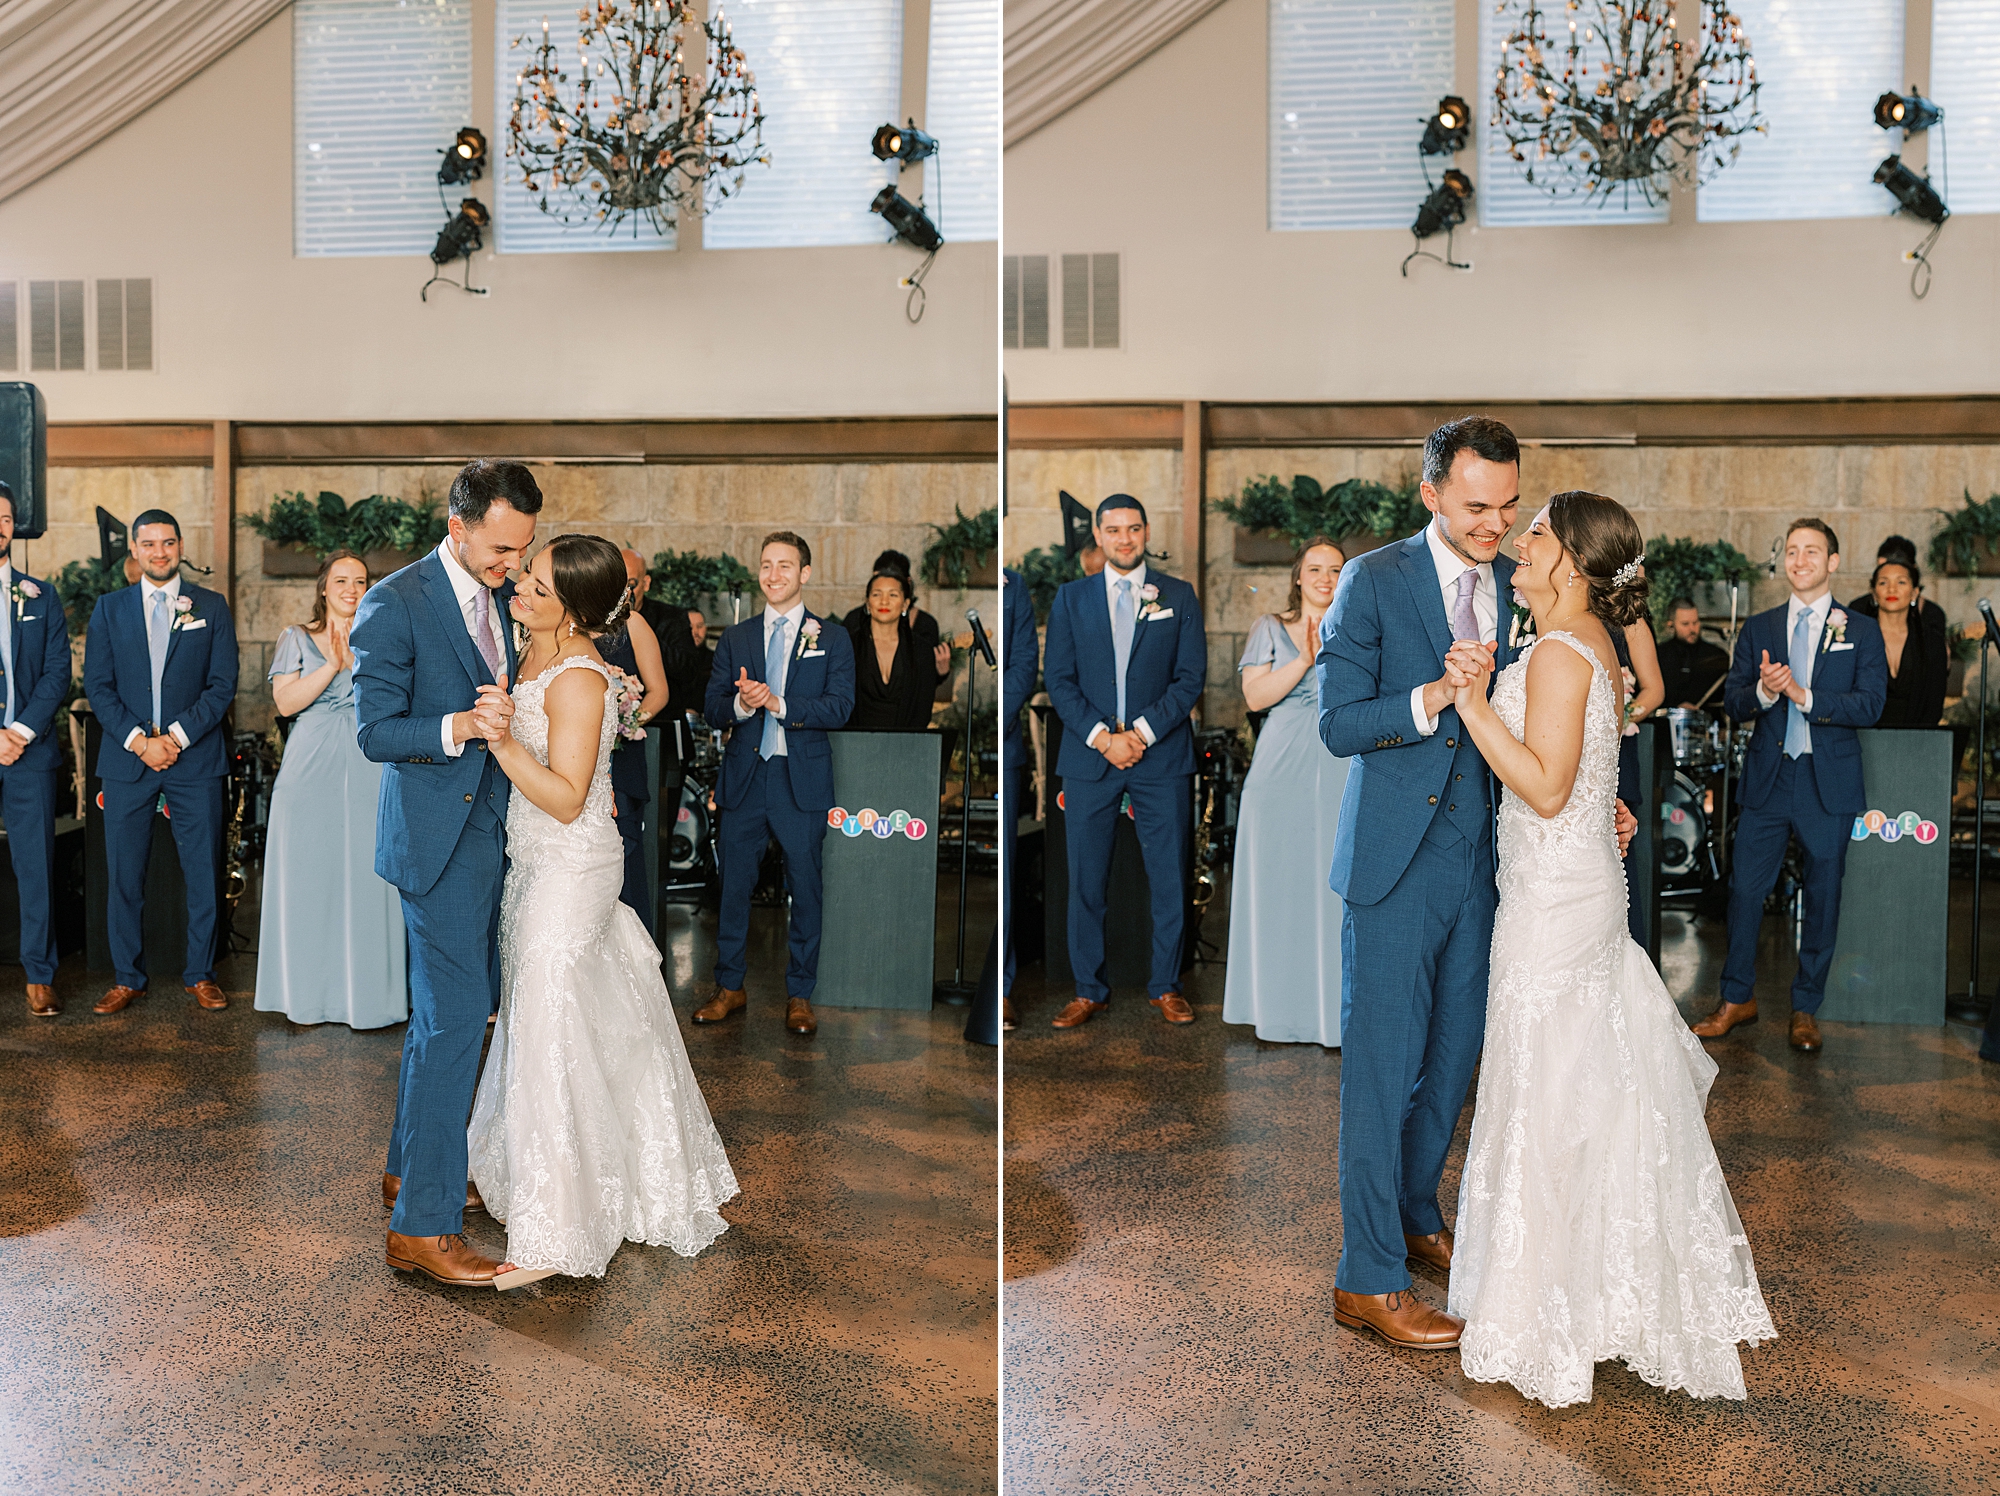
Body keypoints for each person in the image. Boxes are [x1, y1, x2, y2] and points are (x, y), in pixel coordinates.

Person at [1442, 489, 1776, 1408]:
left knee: (1550, 1087)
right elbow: (1591, 772)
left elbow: (1548, 787)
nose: (1518, 540)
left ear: (1573, 563)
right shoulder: (1591, 643)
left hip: (1553, 897)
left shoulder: (1555, 649)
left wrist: (1471, 703)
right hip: (1577, 882)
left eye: (1536, 533)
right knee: (1585, 1085)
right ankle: (1592, 1291)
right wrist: (1609, 809)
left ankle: (1550, 1309)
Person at [465, 533, 738, 1283]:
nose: (518, 591)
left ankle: (557, 1232)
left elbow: (565, 796)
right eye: (524, 577)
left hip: (572, 863)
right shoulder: (530, 649)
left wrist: (497, 741)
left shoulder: (581, 678)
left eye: (538, 588)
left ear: (576, 609)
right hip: (531, 864)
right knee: (542, 1013)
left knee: (549, 1016)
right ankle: (548, 1175)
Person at [1315, 416, 1524, 1349]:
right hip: (1394, 864)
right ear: (1431, 493)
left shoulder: (1520, 585)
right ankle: (1366, 1278)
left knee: (1451, 1065)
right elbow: (1339, 724)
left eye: (1509, 506)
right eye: (1478, 506)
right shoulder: (1373, 579)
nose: (1496, 524)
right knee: (1381, 1071)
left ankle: (1410, 1211)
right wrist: (1434, 695)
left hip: (1485, 860)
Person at [352, 458, 541, 1289]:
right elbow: (375, 732)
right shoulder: (394, 601)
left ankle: (407, 1171)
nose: (512, 565)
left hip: (497, 836)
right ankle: (421, 1227)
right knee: (459, 1020)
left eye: (521, 549)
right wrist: (461, 724)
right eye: (501, 548)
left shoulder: (505, 596)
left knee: (444, 1018)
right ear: (458, 526)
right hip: (435, 842)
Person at [1695, 519, 1888, 1055]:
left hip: (1828, 782)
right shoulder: (1757, 628)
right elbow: (1733, 701)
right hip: (1770, 779)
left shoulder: (1862, 630)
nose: (1800, 559)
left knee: (1823, 896)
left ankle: (1806, 1008)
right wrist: (1761, 689)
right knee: (1745, 891)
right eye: (1793, 551)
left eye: (1813, 551)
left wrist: (1803, 696)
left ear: (1832, 562)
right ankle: (1737, 998)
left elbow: (1871, 705)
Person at [1041, 494, 1207, 1029]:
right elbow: (1058, 680)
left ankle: (1166, 985)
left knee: (1168, 877)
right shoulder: (1070, 598)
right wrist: (1102, 737)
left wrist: (1138, 732)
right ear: (1098, 534)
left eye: (1133, 529)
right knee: (1085, 879)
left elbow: (1190, 678)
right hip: (1090, 758)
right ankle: (1088, 988)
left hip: (1160, 756)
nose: (1125, 539)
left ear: (1145, 531)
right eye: (1113, 530)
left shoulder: (1177, 596)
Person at [694, 531, 856, 1038]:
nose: (774, 575)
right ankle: (729, 986)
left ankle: (800, 994)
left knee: (804, 888)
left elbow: (840, 707)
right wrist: (744, 705)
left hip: (800, 779)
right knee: (734, 887)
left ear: (804, 574)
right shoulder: (737, 637)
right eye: (766, 565)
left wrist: (778, 704)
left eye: (785, 566)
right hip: (747, 775)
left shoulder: (831, 638)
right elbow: (714, 704)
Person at [84, 508, 240, 1017]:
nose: (159, 552)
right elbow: (98, 687)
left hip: (194, 760)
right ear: (134, 549)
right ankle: (127, 977)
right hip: (128, 761)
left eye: (167, 543)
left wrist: (173, 737)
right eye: (148, 544)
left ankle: (201, 973)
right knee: (123, 875)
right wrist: (139, 740)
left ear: (179, 546)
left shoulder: (211, 608)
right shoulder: (109, 609)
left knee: (202, 872)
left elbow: (222, 685)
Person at [256, 551, 408, 1028]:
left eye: (360, 581)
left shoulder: (382, 637)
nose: (351, 588)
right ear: (324, 587)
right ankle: (307, 994)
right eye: (341, 580)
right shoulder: (296, 637)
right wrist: (333, 665)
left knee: (369, 876)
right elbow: (285, 702)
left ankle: (369, 997)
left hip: (369, 762)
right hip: (310, 764)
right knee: (309, 878)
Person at [1223, 537, 1348, 1046]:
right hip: (1279, 766)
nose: (1324, 578)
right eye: (1314, 569)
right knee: (1279, 883)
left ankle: (1333, 1012)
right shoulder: (1269, 627)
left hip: (1339, 759)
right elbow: (1255, 696)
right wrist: (1303, 660)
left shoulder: (1361, 626)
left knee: (1330, 885)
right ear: (1298, 576)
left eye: (1335, 569)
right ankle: (1276, 1008)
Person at [0, 481, 73, 1018]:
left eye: (4, 517)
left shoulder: (41, 596)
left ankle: (40, 975)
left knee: (36, 865)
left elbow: (56, 674)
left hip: (30, 750)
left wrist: (20, 731)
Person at [599, 549, 672, 934]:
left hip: (619, 761)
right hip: (568, 762)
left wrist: (623, 722)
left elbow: (658, 692)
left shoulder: (634, 625)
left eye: (630, 584)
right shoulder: (567, 624)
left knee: (624, 863)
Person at [843, 565, 952, 731]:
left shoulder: (921, 650)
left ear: (905, 604)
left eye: (893, 595)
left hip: (906, 747)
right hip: (855, 744)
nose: (884, 601)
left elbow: (922, 709)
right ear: (867, 603)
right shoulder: (848, 646)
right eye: (876, 594)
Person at [1610, 611, 1664, 947]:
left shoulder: (1629, 619)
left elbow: (1654, 690)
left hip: (1615, 755)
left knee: (1619, 863)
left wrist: (1617, 716)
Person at [1001, 565, 1037, 1031]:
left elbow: (1025, 660)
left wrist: (1003, 718)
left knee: (1006, 875)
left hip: (1007, 742)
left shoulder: (1015, 585)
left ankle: (1002, 988)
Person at [1861, 555, 1947, 727]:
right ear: (1874, 593)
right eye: (1883, 582)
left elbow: (1934, 702)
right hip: (1863, 739)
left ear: (1915, 593)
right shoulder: (1858, 638)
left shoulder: (1931, 641)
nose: (1892, 589)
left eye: (1901, 582)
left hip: (1916, 741)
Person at [1656, 598, 1730, 709]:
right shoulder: (1659, 655)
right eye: (1685, 624)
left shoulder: (1715, 654)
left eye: (1695, 622)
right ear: (1671, 626)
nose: (1692, 629)